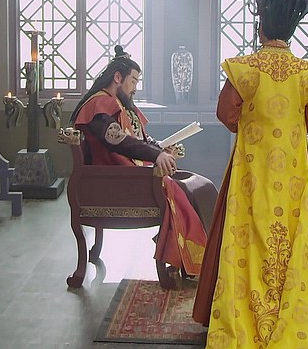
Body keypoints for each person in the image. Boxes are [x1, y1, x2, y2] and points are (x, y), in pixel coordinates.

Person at [192, 0, 308, 349]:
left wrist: (252, 121)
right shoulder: (307, 73)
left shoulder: (245, 69)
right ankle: (294, 322)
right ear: (291, 29)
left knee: (244, 237)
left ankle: (243, 319)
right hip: (292, 174)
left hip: (251, 172)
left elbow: (226, 114)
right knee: (293, 239)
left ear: (261, 27)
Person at [71, 46, 217, 276]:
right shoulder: (99, 106)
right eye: (133, 81)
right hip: (116, 181)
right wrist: (156, 155)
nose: (135, 88)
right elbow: (119, 142)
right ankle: (194, 261)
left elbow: (138, 140)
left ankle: (200, 258)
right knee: (183, 189)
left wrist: (160, 148)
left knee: (200, 186)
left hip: (131, 174)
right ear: (117, 77)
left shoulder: (118, 103)